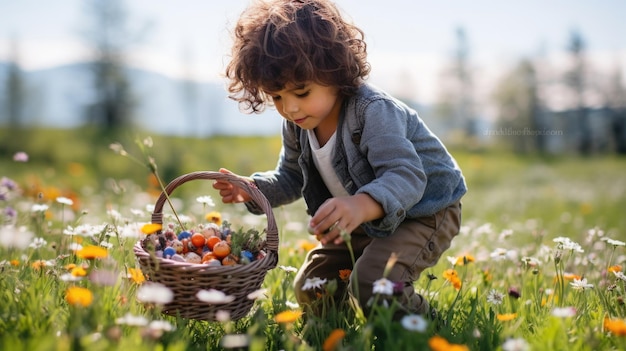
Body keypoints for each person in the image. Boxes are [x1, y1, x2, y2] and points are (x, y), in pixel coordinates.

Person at [213, 0, 466, 320]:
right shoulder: (298, 124)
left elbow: (406, 176)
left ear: (334, 71)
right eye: (277, 96)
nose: (289, 108)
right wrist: (253, 190)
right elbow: (291, 177)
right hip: (360, 215)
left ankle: (426, 328)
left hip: (425, 210)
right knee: (312, 287)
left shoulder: (373, 110)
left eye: (301, 92)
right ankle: (339, 334)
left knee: (375, 283)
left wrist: (361, 205)